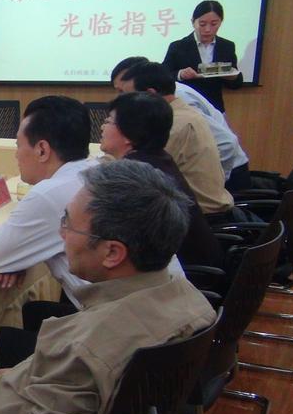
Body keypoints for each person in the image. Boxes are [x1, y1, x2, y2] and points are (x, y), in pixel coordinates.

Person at [0, 160, 216, 414]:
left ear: (112, 253)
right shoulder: (190, 299)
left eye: (67, 224)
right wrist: (19, 377)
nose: (60, 233)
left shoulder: (87, 345)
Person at [0, 96, 97, 306]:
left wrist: (15, 257)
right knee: (34, 311)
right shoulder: (96, 168)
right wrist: (19, 255)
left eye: (18, 145)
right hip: (140, 307)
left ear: (42, 150)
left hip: (110, 319)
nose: (16, 155)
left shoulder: (49, 194)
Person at [100, 92, 223, 269]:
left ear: (129, 135)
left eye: (108, 121)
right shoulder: (157, 159)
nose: (102, 127)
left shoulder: (134, 177)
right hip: (195, 263)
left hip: (185, 272)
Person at [111, 56, 250, 191]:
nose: (122, 99)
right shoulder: (163, 101)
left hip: (232, 173)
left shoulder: (180, 103)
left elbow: (227, 143)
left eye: (123, 92)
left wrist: (216, 184)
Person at [120, 62, 235, 220]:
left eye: (128, 97)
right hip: (197, 210)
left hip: (198, 217)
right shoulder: (182, 112)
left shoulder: (174, 123)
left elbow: (138, 172)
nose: (124, 104)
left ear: (150, 94)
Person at [161, 0, 242, 113]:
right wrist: (181, 74)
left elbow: (236, 83)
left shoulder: (227, 46)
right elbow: (164, 76)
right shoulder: (178, 46)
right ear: (193, 22)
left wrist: (232, 77)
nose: (208, 29)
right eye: (202, 24)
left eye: (214, 24)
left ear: (221, 22)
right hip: (186, 107)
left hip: (214, 108)